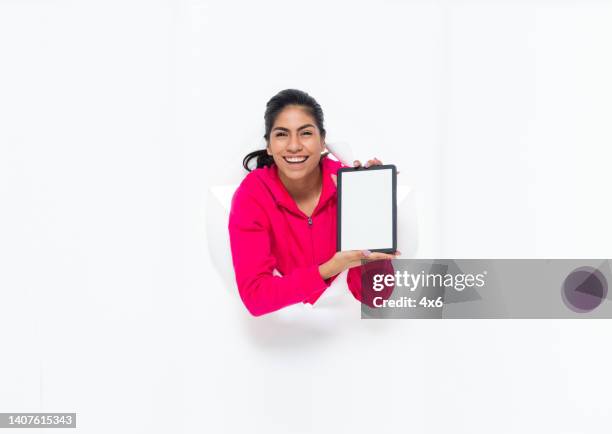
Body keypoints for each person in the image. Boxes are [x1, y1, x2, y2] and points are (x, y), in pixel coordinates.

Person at [228, 89, 398, 317]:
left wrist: (371, 212)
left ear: (323, 141)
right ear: (268, 145)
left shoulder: (349, 187)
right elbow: (256, 298)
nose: (294, 145)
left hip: (348, 336)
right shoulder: (252, 196)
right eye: (281, 134)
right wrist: (331, 268)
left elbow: (374, 297)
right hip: (279, 336)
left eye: (305, 133)